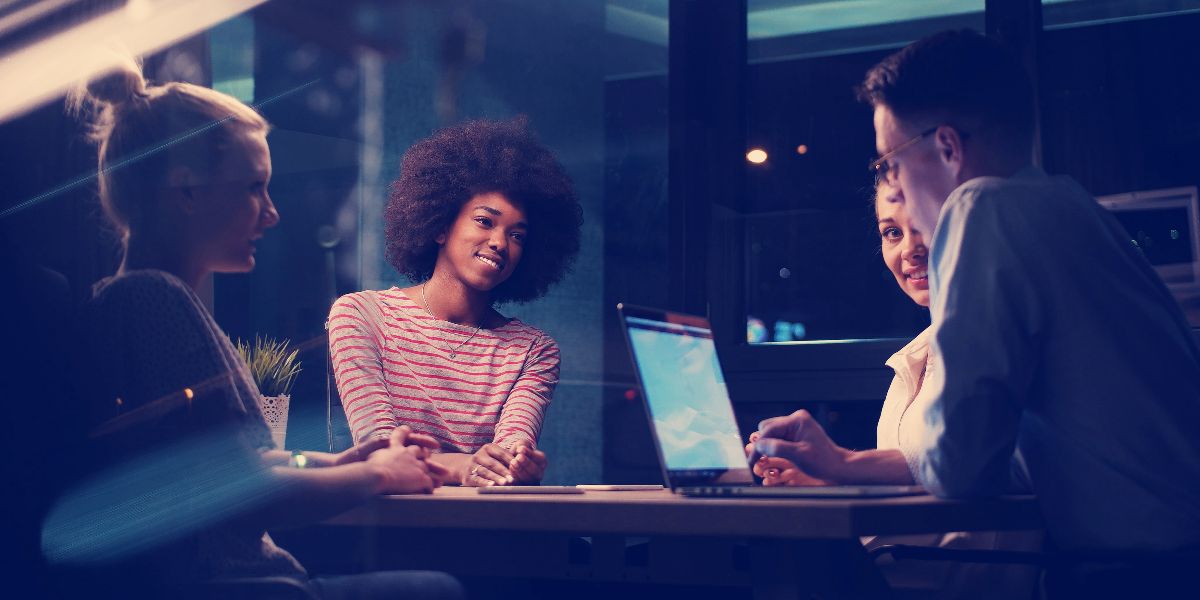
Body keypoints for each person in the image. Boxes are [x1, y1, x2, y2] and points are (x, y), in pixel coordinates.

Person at [753, 28, 1200, 573]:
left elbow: (963, 469)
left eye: (888, 162)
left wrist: (848, 469)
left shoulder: (982, 208)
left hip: (1130, 577)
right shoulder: (1076, 210)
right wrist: (846, 463)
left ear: (947, 147)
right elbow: (1013, 461)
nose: (891, 185)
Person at [68, 58, 462, 599]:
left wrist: (345, 459)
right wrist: (381, 476)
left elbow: (238, 464)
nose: (271, 214)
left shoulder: (154, 300)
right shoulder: (151, 301)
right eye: (255, 187)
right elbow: (241, 493)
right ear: (185, 192)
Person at [749, 181, 1042, 599]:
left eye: (925, 225)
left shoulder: (1004, 344)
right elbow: (920, 493)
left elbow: (984, 471)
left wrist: (844, 466)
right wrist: (828, 483)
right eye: (892, 232)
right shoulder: (911, 363)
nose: (909, 250)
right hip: (899, 573)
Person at [329, 118, 583, 487]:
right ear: (440, 225)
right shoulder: (362, 316)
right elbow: (378, 451)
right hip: (391, 533)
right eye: (484, 221)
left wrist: (517, 464)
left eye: (517, 236)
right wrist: (467, 467)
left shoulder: (533, 351)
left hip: (487, 530)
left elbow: (511, 449)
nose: (500, 242)